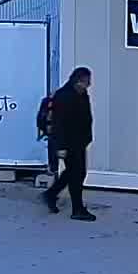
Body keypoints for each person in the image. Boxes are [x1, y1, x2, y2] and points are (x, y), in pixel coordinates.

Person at [40, 67, 95, 221]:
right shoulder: (64, 96)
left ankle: (51, 194)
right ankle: (77, 209)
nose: (89, 84)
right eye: (87, 81)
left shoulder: (81, 94)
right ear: (78, 81)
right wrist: (61, 147)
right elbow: (59, 124)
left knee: (74, 172)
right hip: (68, 143)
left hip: (79, 141)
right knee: (76, 174)